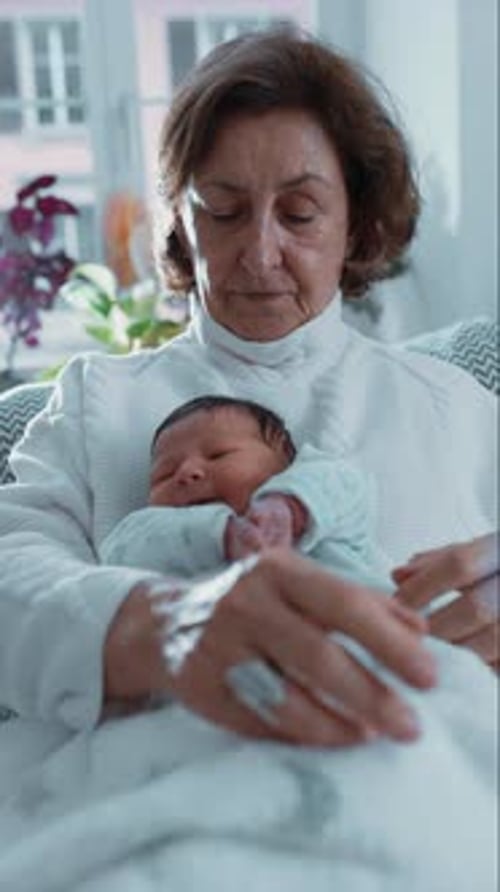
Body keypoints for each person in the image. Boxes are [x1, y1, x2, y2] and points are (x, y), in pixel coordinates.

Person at [0, 28, 497, 748]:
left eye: (299, 214)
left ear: (356, 222)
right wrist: (159, 627)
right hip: (157, 808)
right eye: (224, 210)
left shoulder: (458, 408)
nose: (260, 252)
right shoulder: (92, 402)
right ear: (182, 222)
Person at [100, 394, 393, 594]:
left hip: (368, 644)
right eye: (165, 473)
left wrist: (289, 506)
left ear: (284, 461)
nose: (186, 473)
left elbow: (344, 485)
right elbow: (119, 554)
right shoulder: (148, 531)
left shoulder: (321, 497)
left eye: (218, 455)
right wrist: (220, 534)